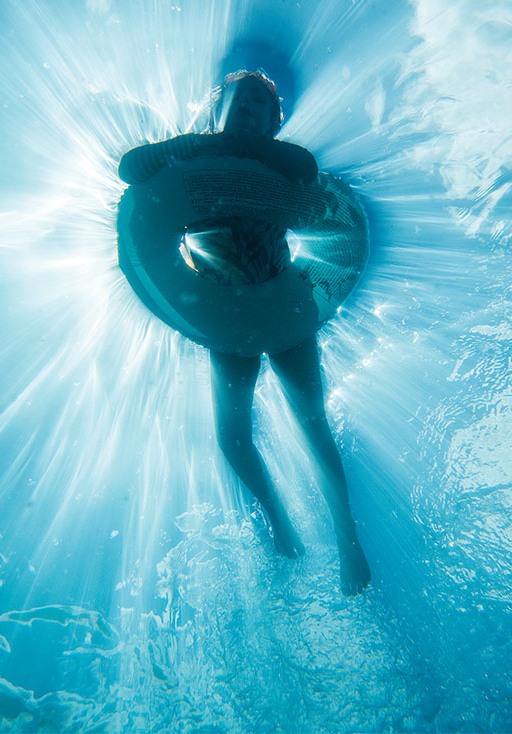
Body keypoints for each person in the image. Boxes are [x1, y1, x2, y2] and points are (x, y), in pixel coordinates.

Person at [119, 70, 371, 596]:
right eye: (242, 99)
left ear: (275, 121)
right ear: (219, 109)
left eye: (263, 103)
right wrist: (203, 144)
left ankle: (347, 537)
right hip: (223, 313)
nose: (251, 107)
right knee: (232, 435)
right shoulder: (189, 157)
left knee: (312, 420)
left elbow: (305, 171)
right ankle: (279, 519)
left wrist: (245, 145)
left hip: (282, 303)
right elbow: (130, 169)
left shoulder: (280, 160)